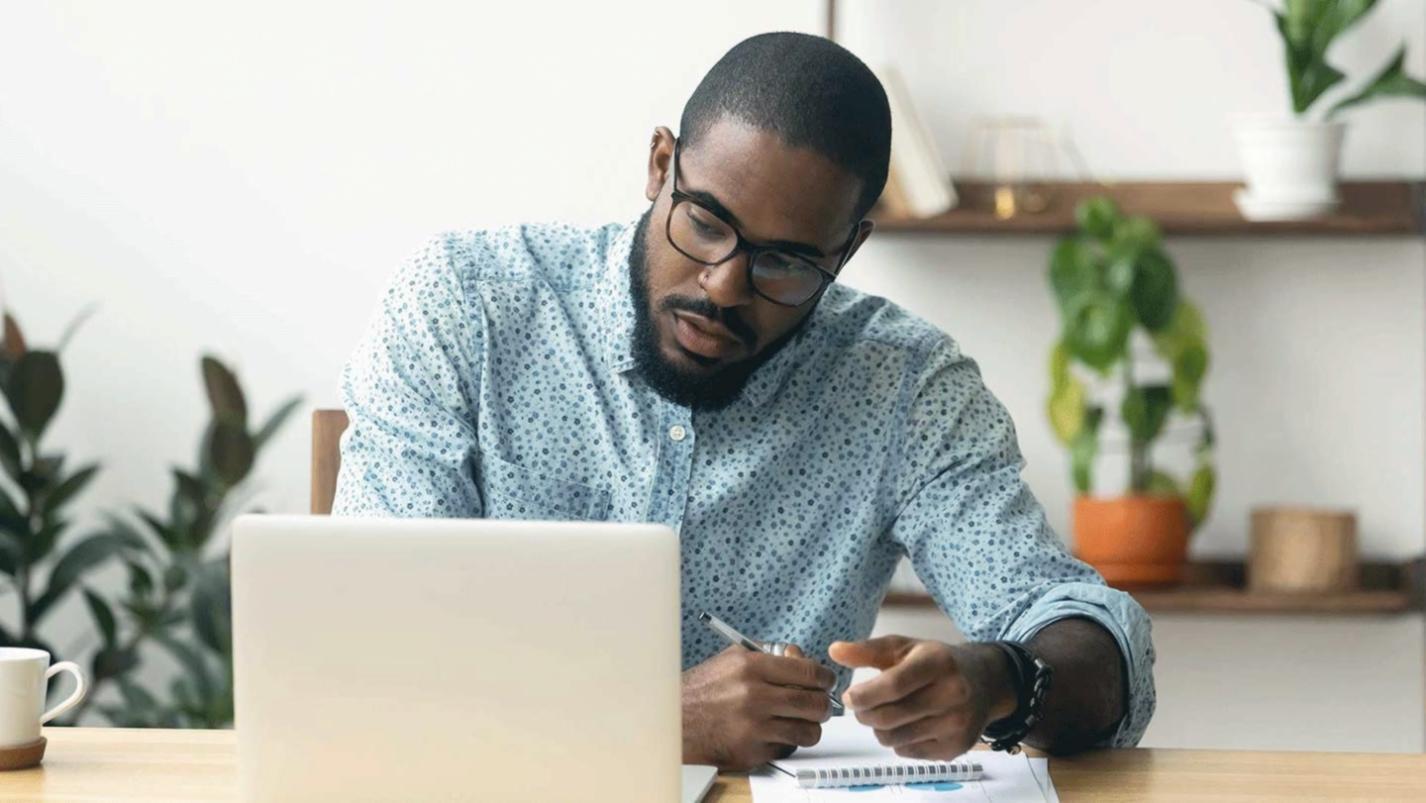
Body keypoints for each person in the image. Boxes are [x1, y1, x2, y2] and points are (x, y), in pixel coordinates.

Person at [333, 32, 1154, 771]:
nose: (724, 287)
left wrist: (1000, 678)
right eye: (706, 222)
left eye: (788, 263)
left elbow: (1094, 634)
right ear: (661, 166)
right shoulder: (466, 308)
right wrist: (657, 721)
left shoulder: (903, 385)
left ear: (848, 247)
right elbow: (369, 651)